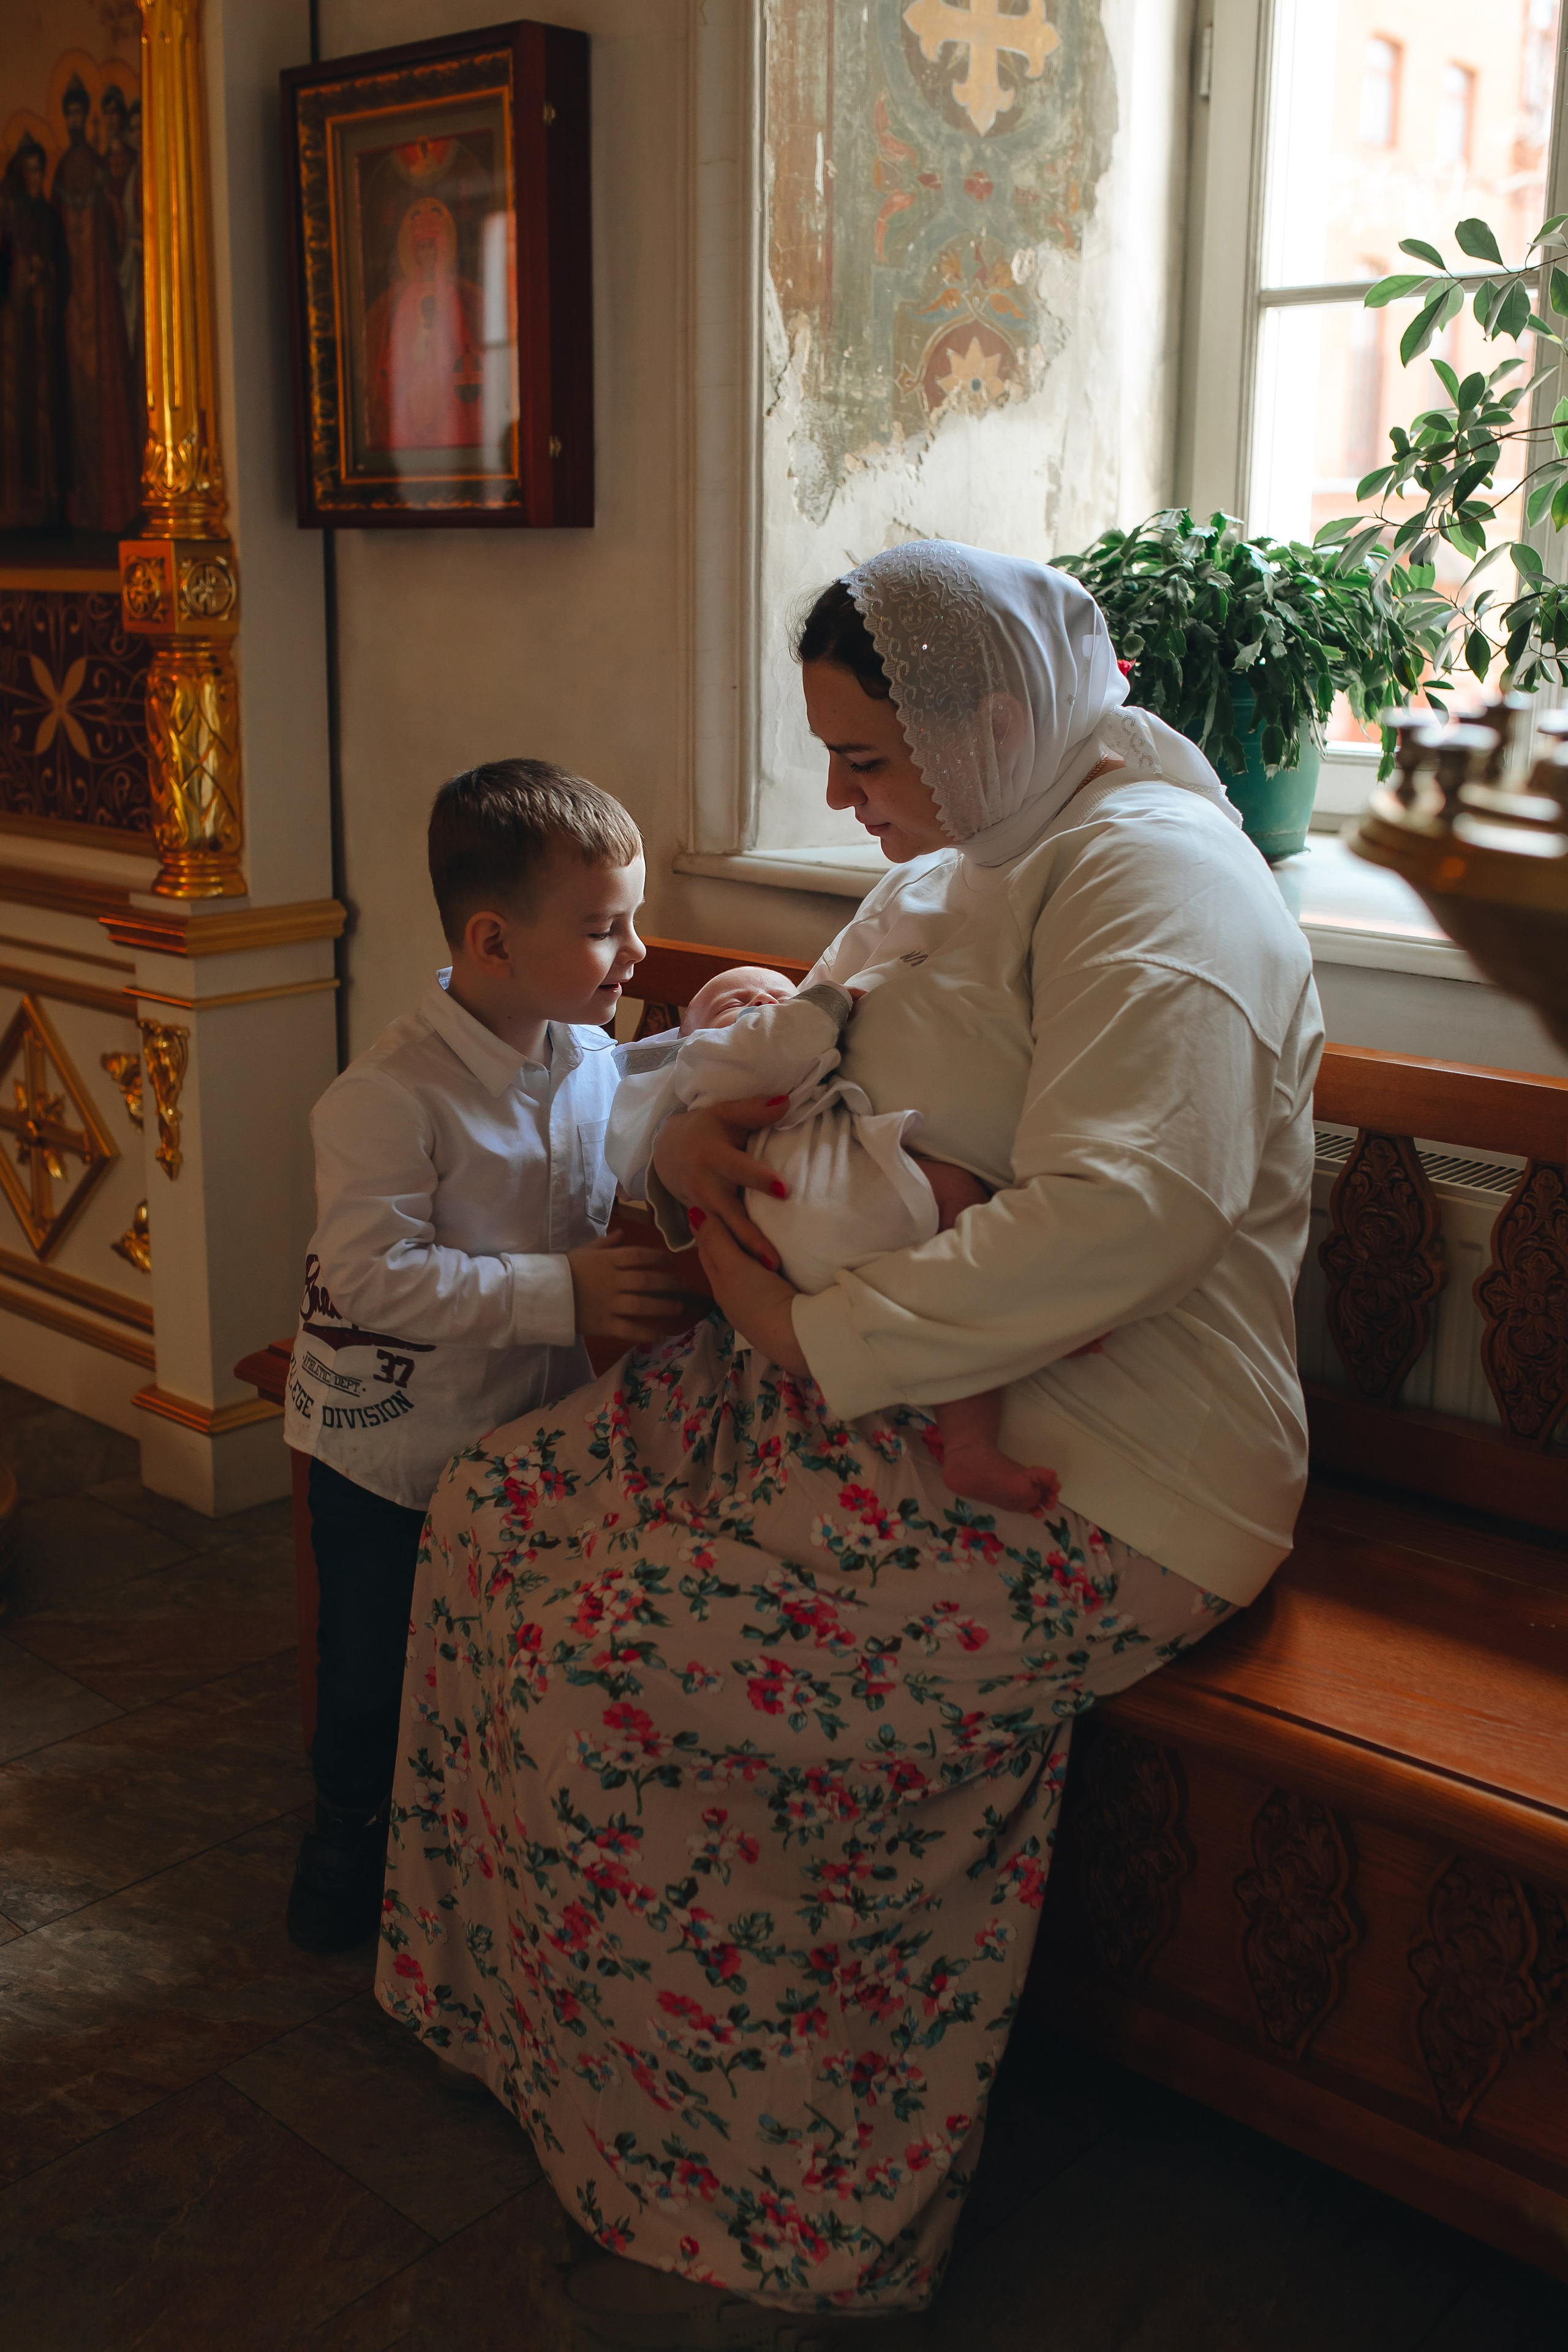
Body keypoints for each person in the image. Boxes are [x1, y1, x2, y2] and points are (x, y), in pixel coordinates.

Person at [374, 544, 1324, 2346]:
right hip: (864, 1378)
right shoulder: (957, 858)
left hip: (1105, 1460)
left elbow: (1131, 1207)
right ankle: (549, 2054)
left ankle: (753, 2207)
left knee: (614, 1657)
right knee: (498, 1506)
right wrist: (679, 1155)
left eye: (862, 758)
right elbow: (780, 1055)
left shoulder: (1162, 883)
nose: (837, 797)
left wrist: (810, 1330)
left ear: (990, 716)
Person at [282, 760, 688, 1952]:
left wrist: (705, 1054)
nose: (637, 952)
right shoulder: (389, 1098)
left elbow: (626, 1125)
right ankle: (345, 1836)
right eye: (606, 928)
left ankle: (459, 1859)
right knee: (370, 1665)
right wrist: (558, 1294)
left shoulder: (581, 1049)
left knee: (482, 1655)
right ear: (492, 940)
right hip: (392, 1448)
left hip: (525, 1439)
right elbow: (367, 1277)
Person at [609, 965, 1062, 1511]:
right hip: (819, 1199)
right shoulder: (709, 1063)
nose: (760, 1002)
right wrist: (822, 1003)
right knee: (960, 1205)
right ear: (690, 1038)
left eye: (779, 993)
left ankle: (969, 1444)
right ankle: (1019, 1314)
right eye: (733, 1002)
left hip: (795, 1242)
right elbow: (771, 1046)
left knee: (954, 1263)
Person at [51, 76, 141, 534]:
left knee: (108, 394)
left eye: (77, 113)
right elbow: (54, 238)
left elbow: (118, 224)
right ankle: (82, 509)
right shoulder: (62, 172)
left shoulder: (100, 167)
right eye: (66, 113)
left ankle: (116, 505)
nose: (72, 120)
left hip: (101, 300)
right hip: (73, 305)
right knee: (78, 402)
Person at [0, 136, 69, 530]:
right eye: (28, 170)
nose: (35, 177)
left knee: (45, 412)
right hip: (17, 329)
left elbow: (61, 266)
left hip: (43, 329)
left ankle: (50, 504)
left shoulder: (48, 217)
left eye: (39, 169)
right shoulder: (11, 217)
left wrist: (47, 272)